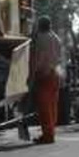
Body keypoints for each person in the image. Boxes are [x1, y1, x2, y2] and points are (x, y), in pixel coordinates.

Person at [28, 16, 64, 144]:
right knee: (52, 106)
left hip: (44, 75)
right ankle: (50, 132)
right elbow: (59, 58)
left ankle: (48, 136)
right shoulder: (56, 38)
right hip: (55, 75)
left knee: (44, 108)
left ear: (41, 26)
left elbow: (37, 59)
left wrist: (31, 76)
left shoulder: (41, 39)